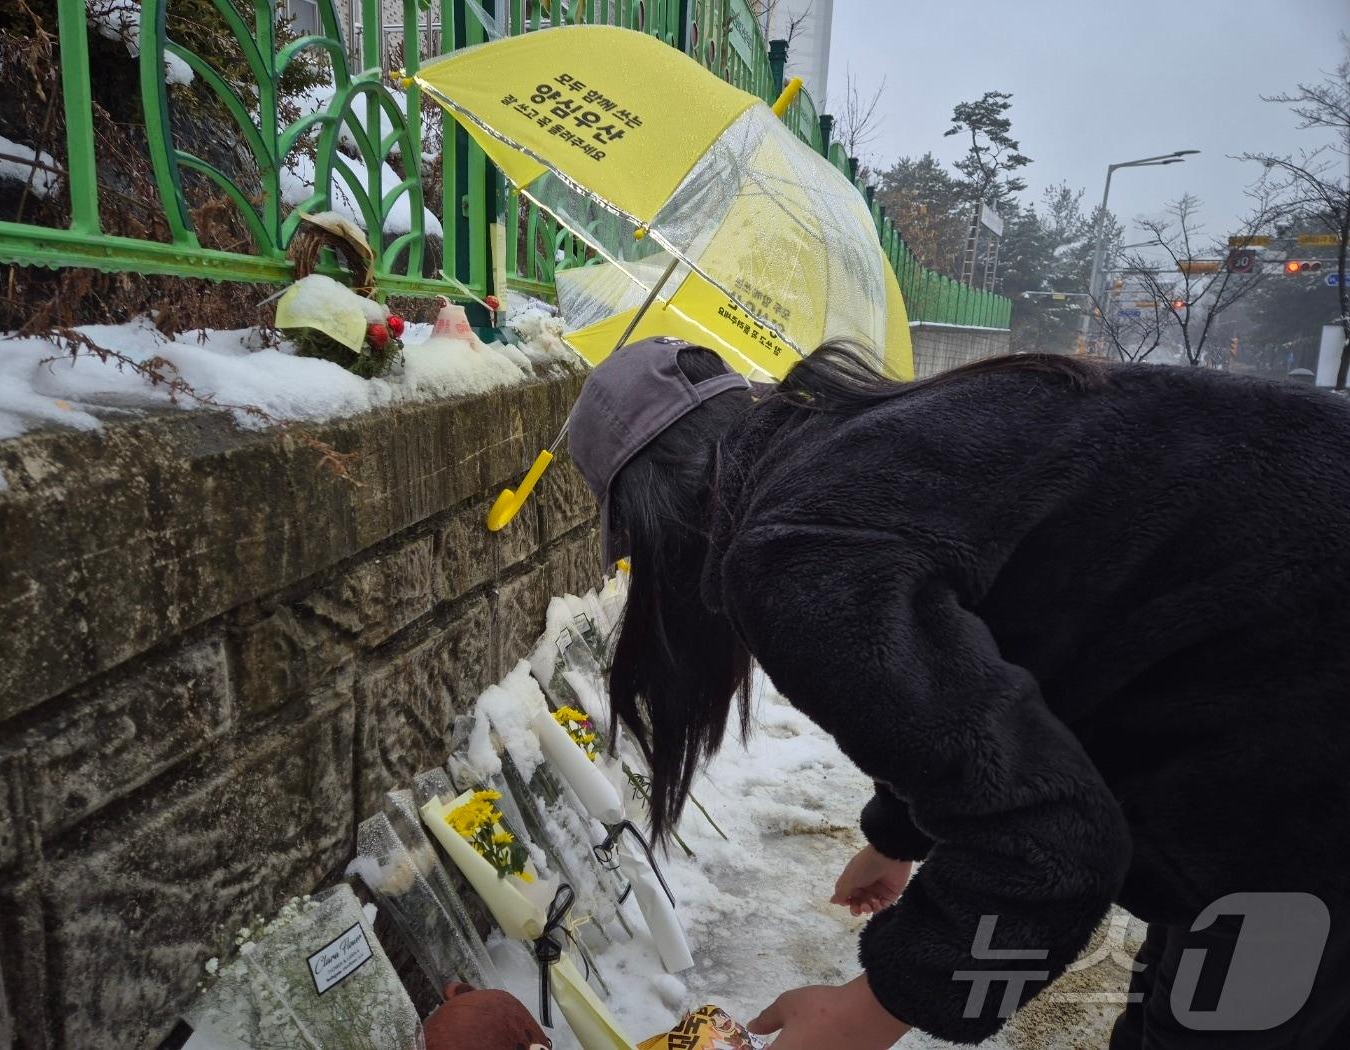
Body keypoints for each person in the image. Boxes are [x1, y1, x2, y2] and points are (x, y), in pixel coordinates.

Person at [565, 336, 1350, 1050]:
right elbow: (976, 683)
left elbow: (1061, 849)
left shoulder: (789, 557)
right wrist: (900, 834)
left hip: (1298, 797)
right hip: (1269, 719)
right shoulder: (854, 450)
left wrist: (869, 1014)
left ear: (652, 519)